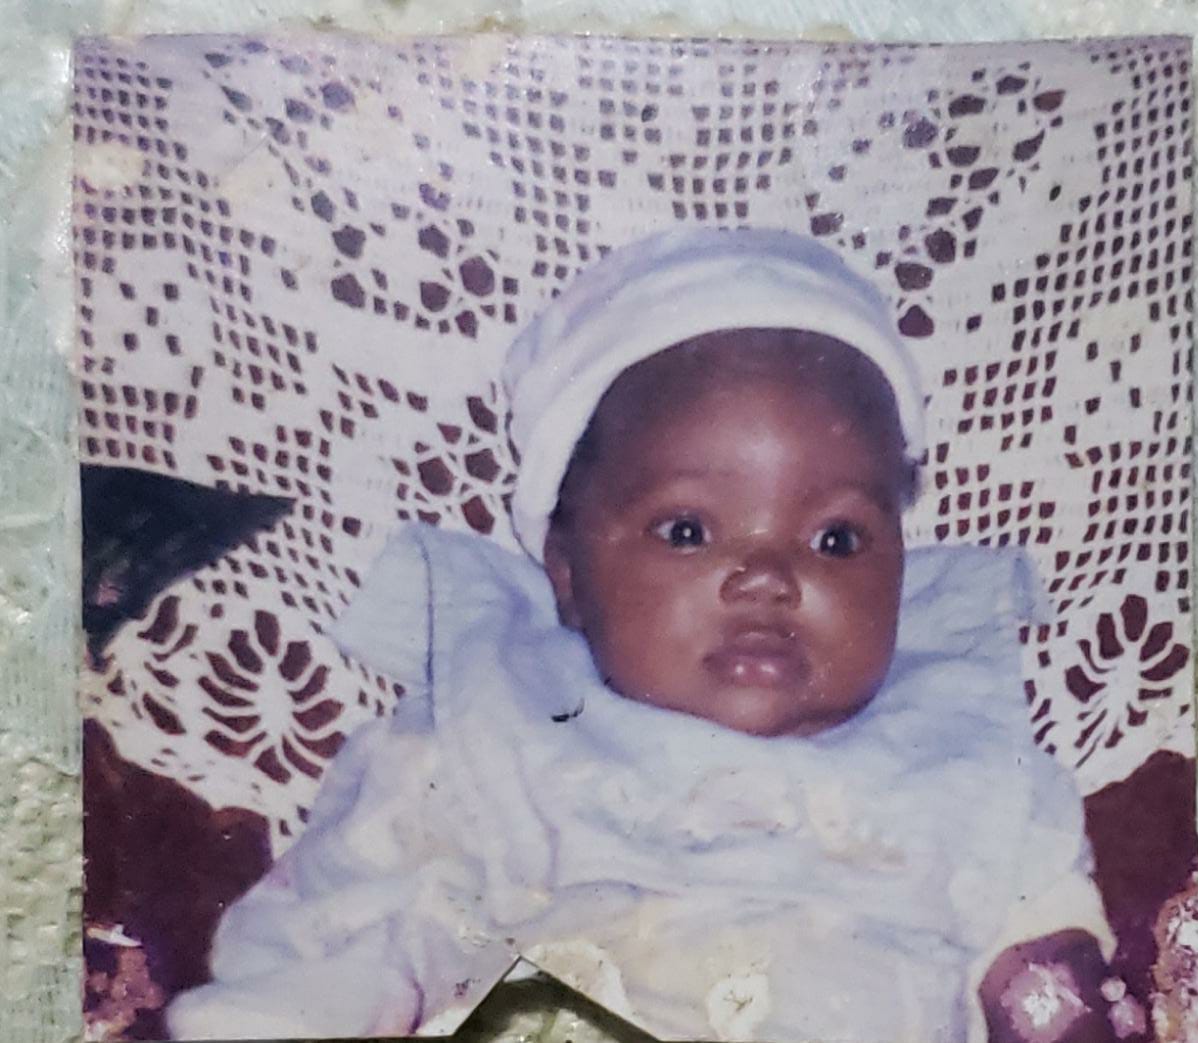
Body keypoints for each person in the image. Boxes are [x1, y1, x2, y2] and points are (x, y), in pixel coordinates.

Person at [166, 228, 1131, 1043]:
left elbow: (1046, 977)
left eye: (836, 537)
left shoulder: (971, 772)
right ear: (569, 572)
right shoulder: (490, 739)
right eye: (688, 530)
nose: (766, 575)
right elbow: (339, 942)